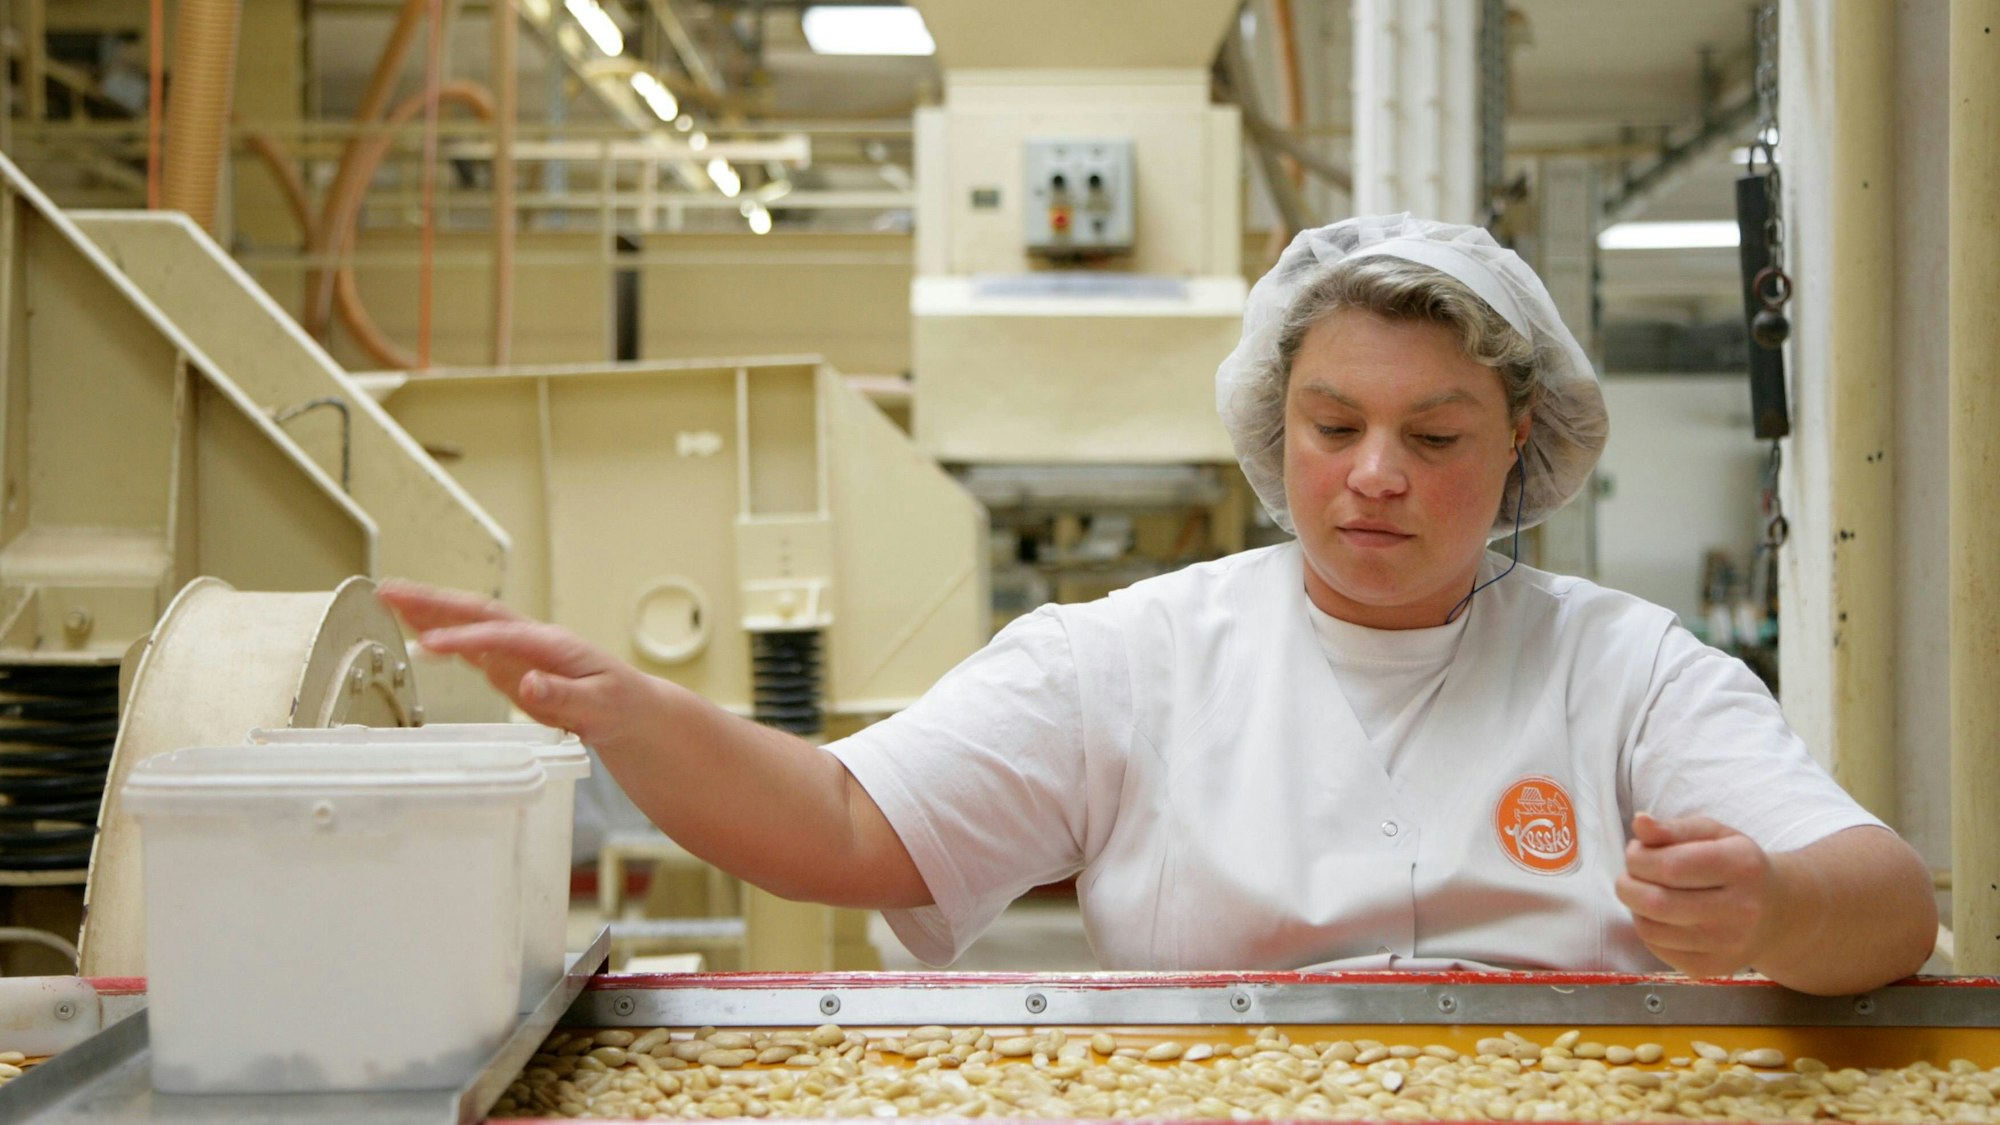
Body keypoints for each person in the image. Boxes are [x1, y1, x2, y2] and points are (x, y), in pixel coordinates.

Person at [381, 214, 1936, 996]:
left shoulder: (1619, 667)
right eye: (1335, 428)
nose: (1377, 474)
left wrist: (1779, 909)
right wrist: (637, 713)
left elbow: (1888, 900)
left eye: (1436, 435)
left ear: (1521, 439)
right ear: (1277, 429)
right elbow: (852, 827)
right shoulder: (1134, 655)